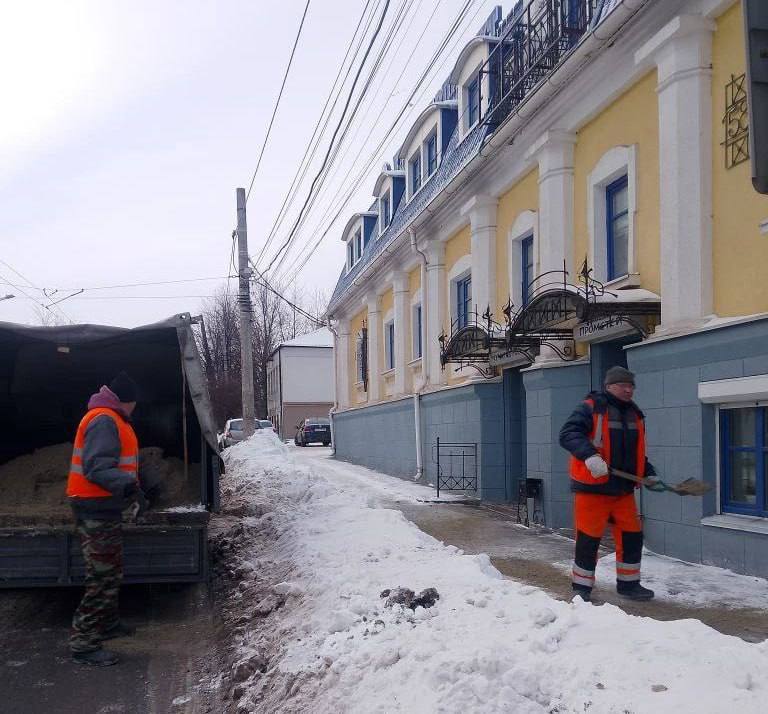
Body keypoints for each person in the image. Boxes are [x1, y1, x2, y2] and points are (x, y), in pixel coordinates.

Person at [66, 372, 147, 666]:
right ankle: (84, 643)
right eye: (135, 403)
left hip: (103, 507)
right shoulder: (104, 420)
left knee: (111, 570)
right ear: (128, 401)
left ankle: (107, 623)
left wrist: (132, 486)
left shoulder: (111, 418)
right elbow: (96, 468)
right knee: (101, 577)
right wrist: (130, 487)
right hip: (94, 508)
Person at [558, 365, 657, 603]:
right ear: (609, 386)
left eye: (631, 386)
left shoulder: (634, 413)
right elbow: (568, 434)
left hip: (623, 490)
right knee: (589, 539)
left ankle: (629, 585)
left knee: (632, 536)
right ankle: (582, 588)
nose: (628, 390)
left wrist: (648, 472)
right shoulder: (591, 407)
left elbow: (634, 451)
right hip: (593, 488)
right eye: (623, 385)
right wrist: (590, 456)